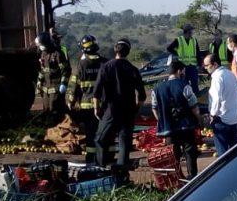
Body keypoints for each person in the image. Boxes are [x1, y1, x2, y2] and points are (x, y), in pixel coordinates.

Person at [92, 38, 146, 181]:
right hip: (128, 112)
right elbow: (142, 95)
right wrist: (136, 110)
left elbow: (96, 92)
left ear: (115, 50)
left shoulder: (106, 67)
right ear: (128, 52)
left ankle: (101, 171)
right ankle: (121, 174)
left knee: (100, 139)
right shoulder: (133, 69)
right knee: (124, 143)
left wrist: (96, 109)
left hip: (110, 111)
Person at [152, 60, 201, 179]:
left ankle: (175, 180)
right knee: (190, 152)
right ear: (179, 71)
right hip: (186, 126)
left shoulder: (157, 88)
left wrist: (162, 121)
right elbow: (194, 106)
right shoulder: (184, 85)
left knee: (173, 155)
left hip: (169, 129)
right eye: (183, 70)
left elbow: (154, 108)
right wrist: (199, 119)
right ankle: (192, 177)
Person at [68, 35, 106, 163]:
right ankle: (104, 157)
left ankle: (91, 158)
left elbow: (73, 86)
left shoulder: (81, 65)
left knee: (90, 134)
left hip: (87, 107)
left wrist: (70, 101)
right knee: (104, 132)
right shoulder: (105, 63)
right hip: (103, 105)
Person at [202, 53, 237, 156]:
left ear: (214, 64)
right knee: (234, 152)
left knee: (222, 153)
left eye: (207, 65)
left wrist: (212, 115)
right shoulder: (230, 74)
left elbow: (216, 98)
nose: (205, 68)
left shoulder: (217, 77)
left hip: (221, 119)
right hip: (233, 118)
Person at [36, 31, 70, 119]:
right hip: (45, 88)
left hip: (56, 88)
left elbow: (66, 70)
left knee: (55, 110)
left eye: (41, 45)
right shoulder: (43, 54)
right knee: (47, 110)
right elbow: (42, 70)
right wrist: (39, 81)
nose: (40, 47)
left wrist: (63, 84)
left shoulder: (57, 54)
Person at [166, 23, 201, 93]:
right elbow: (169, 48)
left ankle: (197, 100)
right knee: (183, 85)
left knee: (195, 85)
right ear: (188, 31)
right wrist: (177, 54)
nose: (192, 32)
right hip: (182, 67)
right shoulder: (179, 40)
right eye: (191, 31)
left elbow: (197, 53)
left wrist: (200, 64)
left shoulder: (194, 40)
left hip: (192, 66)